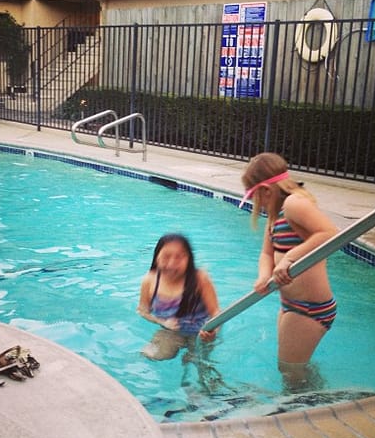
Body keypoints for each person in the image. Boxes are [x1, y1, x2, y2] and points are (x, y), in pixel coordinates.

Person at [240, 152, 338, 387]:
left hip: (310, 308)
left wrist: (288, 259)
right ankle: (318, 395)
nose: (257, 204)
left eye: (255, 196)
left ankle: (303, 412)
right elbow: (266, 253)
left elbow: (329, 234)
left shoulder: (294, 204)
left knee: (289, 371)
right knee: (293, 366)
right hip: (291, 305)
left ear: (266, 190)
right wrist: (264, 276)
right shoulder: (275, 216)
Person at [138, 233, 221, 361]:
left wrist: (213, 330)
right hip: (170, 331)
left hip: (200, 332)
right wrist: (162, 322)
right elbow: (143, 311)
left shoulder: (200, 278)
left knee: (202, 365)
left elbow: (216, 312)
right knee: (153, 355)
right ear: (156, 258)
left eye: (179, 257)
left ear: (189, 259)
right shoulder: (149, 280)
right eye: (166, 257)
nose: (172, 263)